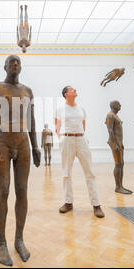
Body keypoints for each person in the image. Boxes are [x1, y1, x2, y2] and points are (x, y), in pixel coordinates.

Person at [0, 54, 41, 266]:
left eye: (18, 61)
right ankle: (1, 242)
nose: (15, 64)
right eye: (11, 61)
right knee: (3, 191)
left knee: (23, 190)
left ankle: (19, 239)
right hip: (1, 141)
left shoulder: (27, 91)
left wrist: (35, 145)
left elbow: (31, 119)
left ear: (21, 67)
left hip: (23, 142)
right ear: (5, 66)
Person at [55, 86, 104, 218]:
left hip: (81, 139)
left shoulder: (81, 109)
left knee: (90, 173)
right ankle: (68, 202)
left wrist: (81, 136)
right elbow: (57, 126)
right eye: (72, 90)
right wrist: (61, 139)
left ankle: (96, 205)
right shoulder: (60, 109)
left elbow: (83, 125)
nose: (75, 90)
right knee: (66, 173)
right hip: (67, 140)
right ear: (66, 94)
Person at [106, 100, 132, 194]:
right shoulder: (110, 115)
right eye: (118, 104)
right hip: (115, 144)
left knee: (121, 164)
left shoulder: (115, 115)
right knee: (118, 164)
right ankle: (118, 187)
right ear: (114, 105)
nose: (120, 105)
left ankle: (121, 186)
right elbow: (110, 130)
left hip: (119, 144)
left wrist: (120, 144)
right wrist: (114, 144)